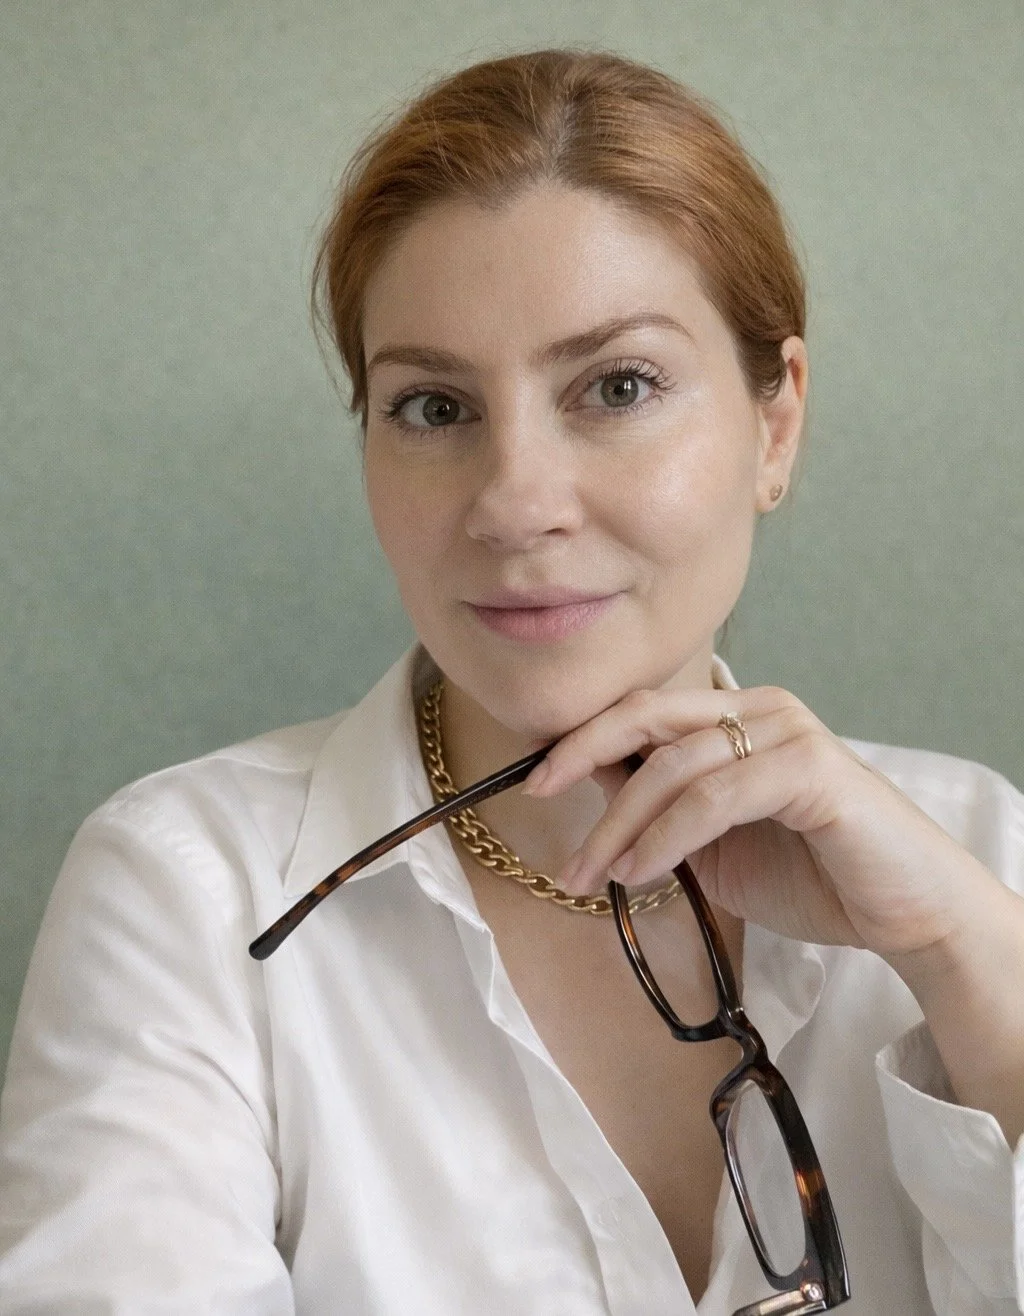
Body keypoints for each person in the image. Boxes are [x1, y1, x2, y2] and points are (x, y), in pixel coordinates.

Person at [0, 46, 1022, 1315]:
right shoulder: (187, 895)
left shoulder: (982, 854)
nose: (515, 502)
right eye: (432, 407)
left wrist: (969, 962)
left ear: (775, 424)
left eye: (619, 386)